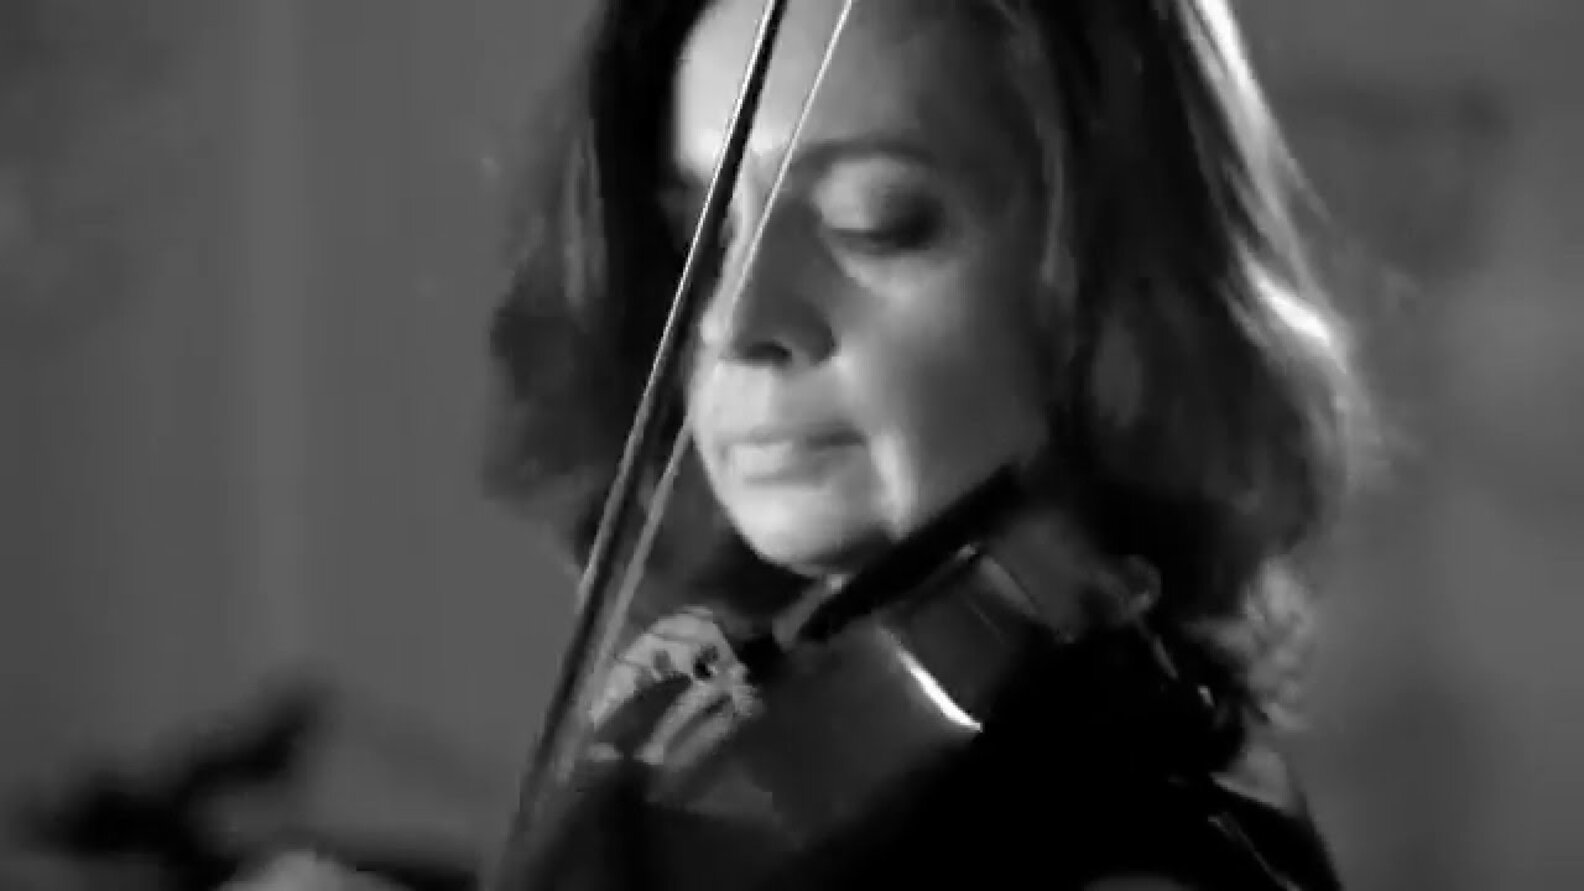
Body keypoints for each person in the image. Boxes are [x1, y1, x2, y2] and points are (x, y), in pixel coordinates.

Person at [243, 0, 1371, 887]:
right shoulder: (786, 738)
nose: (735, 318)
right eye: (695, 233)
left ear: (1111, 280)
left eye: (876, 221)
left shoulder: (1137, 850)